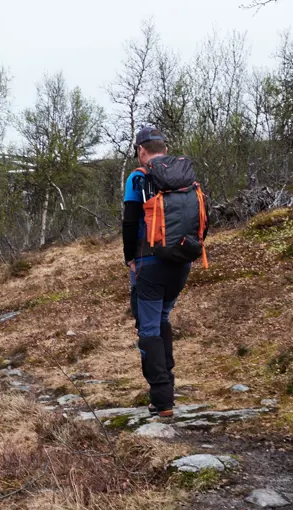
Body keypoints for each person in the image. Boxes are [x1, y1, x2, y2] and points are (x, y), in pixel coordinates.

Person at [122, 127, 207, 418]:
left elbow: (130, 222)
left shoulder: (138, 177)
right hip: (181, 263)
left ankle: (162, 400)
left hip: (149, 263)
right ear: (165, 149)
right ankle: (164, 394)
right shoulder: (185, 177)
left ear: (141, 151)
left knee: (148, 329)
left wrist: (129, 258)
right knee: (161, 320)